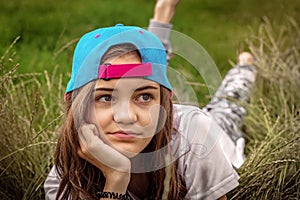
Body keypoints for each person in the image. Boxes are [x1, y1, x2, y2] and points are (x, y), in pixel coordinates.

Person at [44, 0, 256, 199]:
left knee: (230, 101)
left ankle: (245, 66)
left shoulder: (195, 138)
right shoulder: (65, 176)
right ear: (76, 106)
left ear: (165, 103)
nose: (126, 117)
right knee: (152, 66)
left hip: (214, 130)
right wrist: (116, 180)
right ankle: (161, 17)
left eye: (144, 96)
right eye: (106, 97)